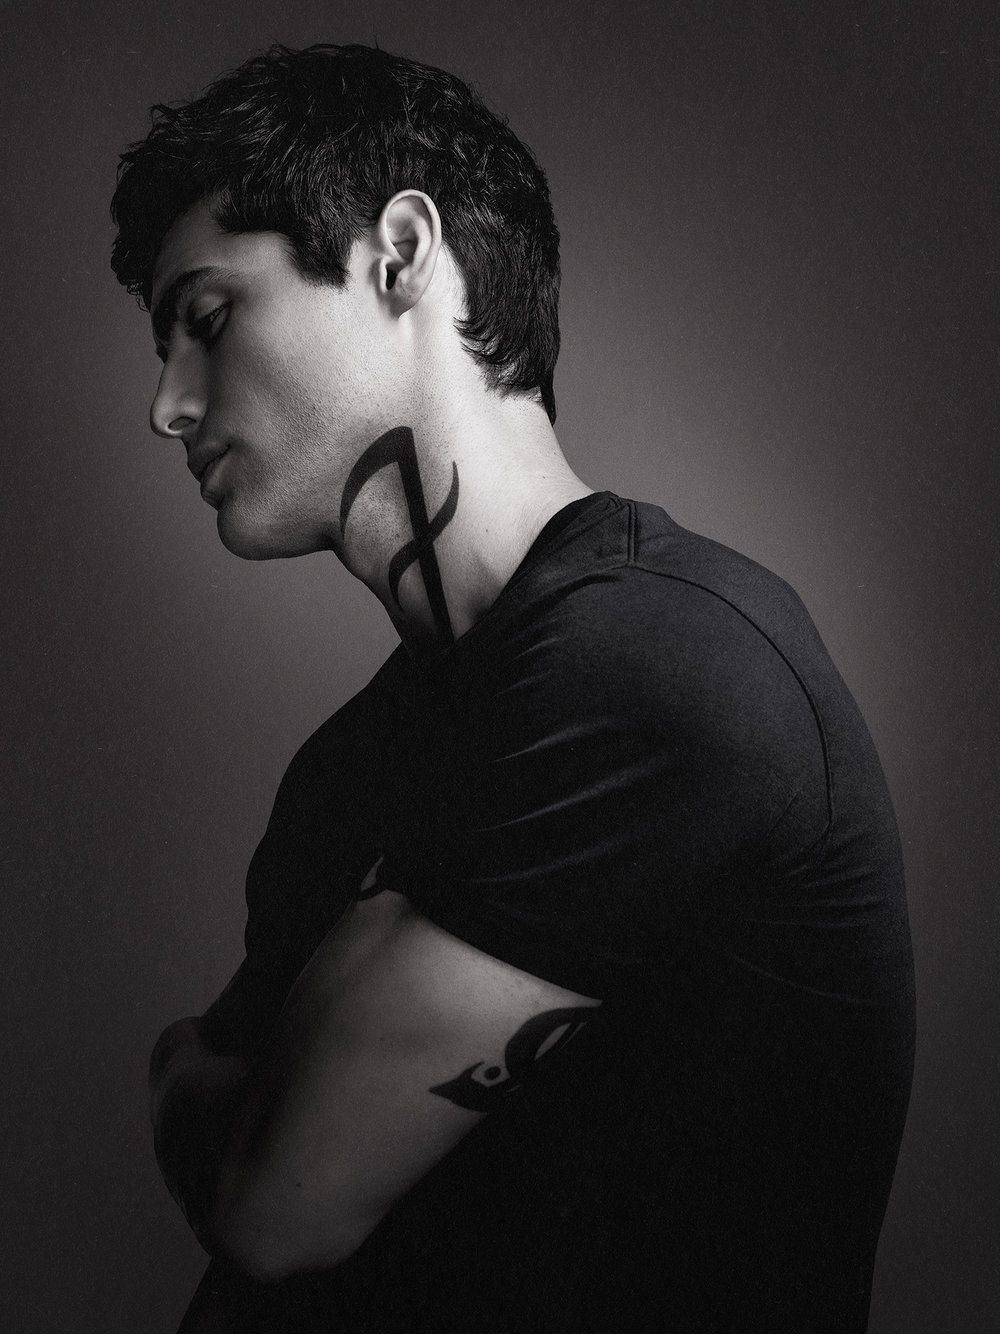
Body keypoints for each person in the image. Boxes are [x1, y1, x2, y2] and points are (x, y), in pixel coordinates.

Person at [111, 43, 915, 1332]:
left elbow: (275, 1203)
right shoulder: (345, 765)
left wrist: (174, 1074)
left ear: (401, 254)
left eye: (207, 320)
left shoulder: (665, 662)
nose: (167, 406)